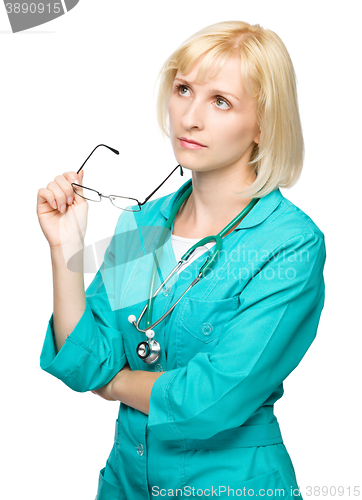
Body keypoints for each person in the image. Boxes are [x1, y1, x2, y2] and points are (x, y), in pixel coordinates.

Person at [37, 20, 326, 500]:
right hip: (126, 485)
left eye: (221, 101)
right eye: (184, 89)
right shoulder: (143, 224)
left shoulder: (290, 243)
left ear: (263, 125)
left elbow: (211, 400)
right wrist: (64, 248)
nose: (190, 117)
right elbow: (86, 364)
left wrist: (117, 385)